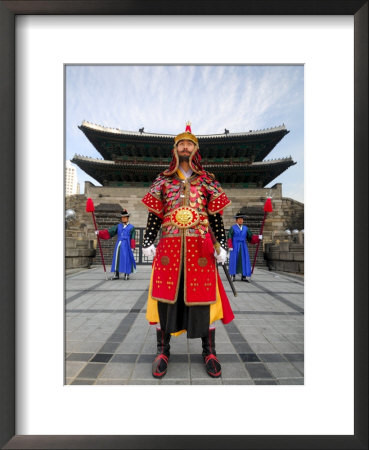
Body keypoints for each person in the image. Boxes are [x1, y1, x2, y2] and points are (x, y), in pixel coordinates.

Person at [141, 123, 234, 379]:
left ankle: (209, 351)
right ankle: (163, 350)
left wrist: (222, 246)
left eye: (189, 143)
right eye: (181, 143)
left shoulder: (208, 181)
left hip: (201, 248)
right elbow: (154, 215)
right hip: (169, 246)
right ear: (175, 149)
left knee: (205, 298)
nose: (185, 147)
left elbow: (216, 219)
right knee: (164, 298)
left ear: (196, 149)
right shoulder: (162, 180)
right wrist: (148, 240)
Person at [95, 209, 136, 280]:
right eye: (122, 217)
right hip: (118, 245)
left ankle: (127, 274)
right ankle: (116, 274)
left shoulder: (132, 227)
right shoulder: (118, 226)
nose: (123, 219)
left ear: (127, 218)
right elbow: (109, 232)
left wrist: (132, 247)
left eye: (125, 217)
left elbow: (133, 238)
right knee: (117, 259)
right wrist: (99, 233)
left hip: (127, 245)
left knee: (126, 259)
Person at [227, 212, 262, 282]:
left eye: (242, 219)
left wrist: (258, 237)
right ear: (236, 220)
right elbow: (229, 237)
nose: (241, 220)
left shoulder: (246, 228)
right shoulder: (233, 228)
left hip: (243, 246)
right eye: (239, 219)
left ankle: (244, 276)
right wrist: (230, 246)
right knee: (234, 260)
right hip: (235, 246)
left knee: (244, 260)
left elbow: (250, 237)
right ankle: (232, 275)